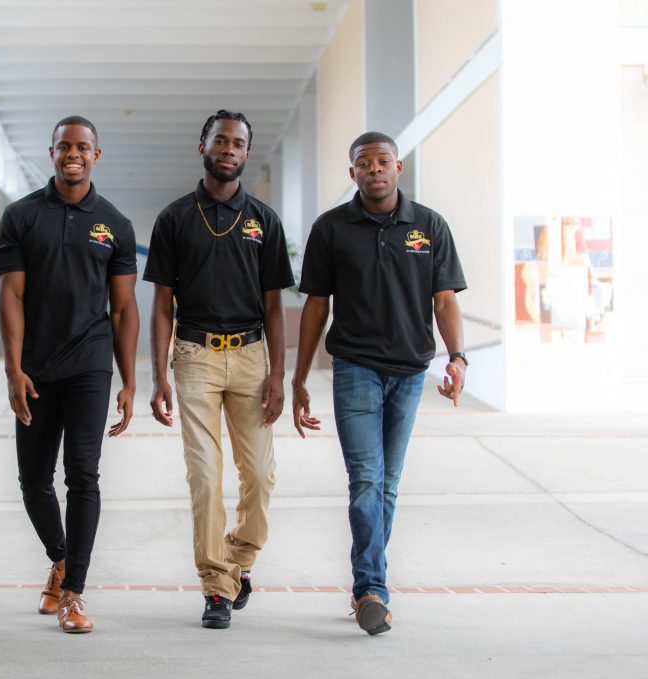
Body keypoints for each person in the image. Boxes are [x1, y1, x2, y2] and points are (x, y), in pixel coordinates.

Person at [291, 131, 468, 635]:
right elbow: (316, 306)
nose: (374, 169)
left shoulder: (429, 226)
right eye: (364, 163)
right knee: (367, 478)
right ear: (352, 173)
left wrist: (457, 358)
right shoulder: (331, 228)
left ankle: (366, 583)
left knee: (388, 484)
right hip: (355, 369)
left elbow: (446, 300)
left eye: (383, 161)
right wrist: (299, 378)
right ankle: (372, 587)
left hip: (410, 371)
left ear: (398, 167)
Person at [144, 110, 294, 630]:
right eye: (220, 140)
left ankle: (238, 560)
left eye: (238, 143)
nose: (229, 149)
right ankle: (216, 586)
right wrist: (158, 373)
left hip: (252, 357)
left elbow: (274, 305)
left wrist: (278, 373)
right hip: (194, 357)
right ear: (202, 145)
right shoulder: (175, 218)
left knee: (258, 474)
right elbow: (162, 303)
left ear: (247, 153)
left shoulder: (264, 220)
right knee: (205, 476)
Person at [0, 115, 138, 634]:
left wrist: (129, 381)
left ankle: (73, 591)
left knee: (83, 474)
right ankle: (60, 557)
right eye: (63, 146)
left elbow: (122, 310)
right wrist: (13, 368)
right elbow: (10, 293)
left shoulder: (116, 225)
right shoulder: (21, 216)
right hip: (34, 366)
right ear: (50, 152)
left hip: (89, 365)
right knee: (33, 479)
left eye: (82, 147)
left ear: (96, 155)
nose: (72, 154)